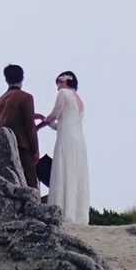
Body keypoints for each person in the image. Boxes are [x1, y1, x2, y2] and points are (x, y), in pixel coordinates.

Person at [39, 70, 89, 225]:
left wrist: (41, 123)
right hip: (78, 141)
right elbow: (60, 124)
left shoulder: (63, 94)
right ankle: (77, 214)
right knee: (75, 172)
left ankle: (63, 211)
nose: (57, 88)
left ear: (65, 81)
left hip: (65, 139)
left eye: (59, 83)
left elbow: (55, 114)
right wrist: (48, 122)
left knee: (63, 169)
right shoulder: (80, 101)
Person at [0, 64, 40, 188]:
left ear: (6, 79)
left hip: (5, 151)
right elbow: (29, 126)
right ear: (22, 78)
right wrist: (35, 150)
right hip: (23, 148)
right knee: (30, 185)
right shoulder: (26, 98)